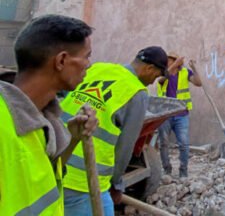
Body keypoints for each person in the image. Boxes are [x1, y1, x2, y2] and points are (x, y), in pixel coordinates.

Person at [0, 14, 98, 215]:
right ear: (61, 60)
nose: (89, 65)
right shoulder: (4, 123)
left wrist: (74, 139)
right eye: (87, 56)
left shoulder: (42, 117)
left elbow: (45, 178)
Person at [60, 46, 169, 216]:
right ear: (149, 68)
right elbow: (125, 147)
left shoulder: (98, 68)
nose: (152, 82)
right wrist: (116, 184)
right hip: (84, 180)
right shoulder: (136, 92)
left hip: (54, 162)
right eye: (155, 76)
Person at [157, 53, 202, 177]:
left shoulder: (185, 72)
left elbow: (198, 83)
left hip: (181, 114)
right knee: (163, 144)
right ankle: (167, 169)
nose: (167, 62)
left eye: (169, 60)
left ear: (175, 61)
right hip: (164, 114)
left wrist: (194, 68)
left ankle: (183, 171)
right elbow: (161, 81)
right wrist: (173, 66)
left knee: (183, 144)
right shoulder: (163, 73)